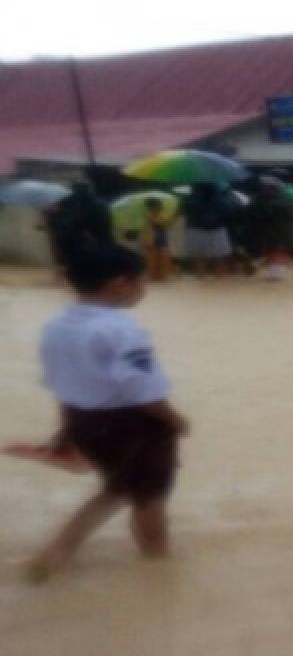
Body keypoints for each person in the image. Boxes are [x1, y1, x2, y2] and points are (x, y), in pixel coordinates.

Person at [27, 243, 188, 582]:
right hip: (131, 424)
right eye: (141, 281)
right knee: (149, 494)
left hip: (81, 420)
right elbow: (145, 392)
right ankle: (156, 563)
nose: (144, 289)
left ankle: (58, 552)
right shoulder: (122, 330)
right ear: (119, 285)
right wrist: (174, 420)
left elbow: (58, 379)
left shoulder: (55, 326)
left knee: (119, 488)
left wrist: (67, 430)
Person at [182, 183, 234, 278]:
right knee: (219, 257)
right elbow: (228, 212)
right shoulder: (220, 198)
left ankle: (200, 277)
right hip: (217, 228)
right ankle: (219, 279)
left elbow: (187, 211)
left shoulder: (191, 198)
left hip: (196, 228)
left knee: (199, 257)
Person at [140, 197, 173, 281]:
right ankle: (153, 275)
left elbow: (167, 225)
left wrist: (166, 221)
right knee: (152, 258)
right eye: (155, 206)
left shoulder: (162, 215)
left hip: (161, 236)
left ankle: (162, 275)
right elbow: (155, 222)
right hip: (150, 237)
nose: (157, 208)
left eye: (158, 206)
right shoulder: (146, 215)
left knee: (164, 256)